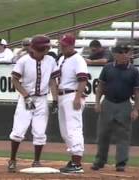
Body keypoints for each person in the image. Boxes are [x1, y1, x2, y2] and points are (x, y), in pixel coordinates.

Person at [8, 35, 58, 172]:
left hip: (42, 98)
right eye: (45, 48)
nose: (47, 50)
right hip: (26, 98)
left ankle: (36, 161)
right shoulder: (23, 61)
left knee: (40, 131)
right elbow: (15, 80)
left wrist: (55, 100)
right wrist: (25, 96)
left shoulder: (50, 60)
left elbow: (53, 81)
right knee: (18, 130)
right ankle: (12, 159)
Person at [91, 43, 139, 172]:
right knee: (102, 134)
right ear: (115, 54)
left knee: (123, 135)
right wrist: (97, 102)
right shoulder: (108, 68)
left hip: (124, 104)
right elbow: (100, 87)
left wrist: (136, 109)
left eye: (127, 52)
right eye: (122, 52)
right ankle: (100, 161)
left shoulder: (134, 70)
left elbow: (137, 92)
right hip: (107, 102)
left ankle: (121, 163)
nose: (125, 55)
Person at [52, 33, 89, 173]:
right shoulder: (62, 58)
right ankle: (74, 158)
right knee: (65, 131)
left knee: (74, 128)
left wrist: (77, 97)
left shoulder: (78, 59)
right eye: (61, 44)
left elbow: (83, 79)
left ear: (72, 45)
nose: (62, 47)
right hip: (62, 95)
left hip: (72, 94)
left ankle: (77, 162)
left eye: (64, 45)